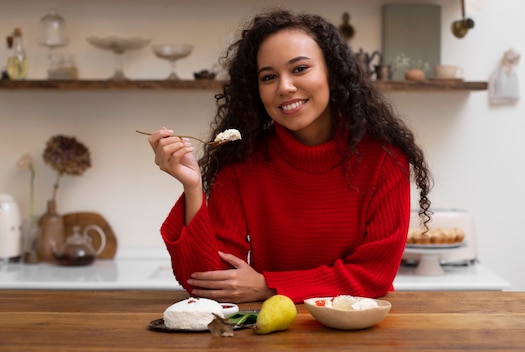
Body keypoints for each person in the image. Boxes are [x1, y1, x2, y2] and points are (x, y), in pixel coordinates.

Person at [146, 9, 432, 304]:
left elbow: (374, 275)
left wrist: (270, 286)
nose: (284, 87)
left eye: (299, 69)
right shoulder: (243, 160)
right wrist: (193, 188)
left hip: (355, 331)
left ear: (332, 74)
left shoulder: (384, 160)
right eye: (269, 77)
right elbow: (207, 284)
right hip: (267, 333)